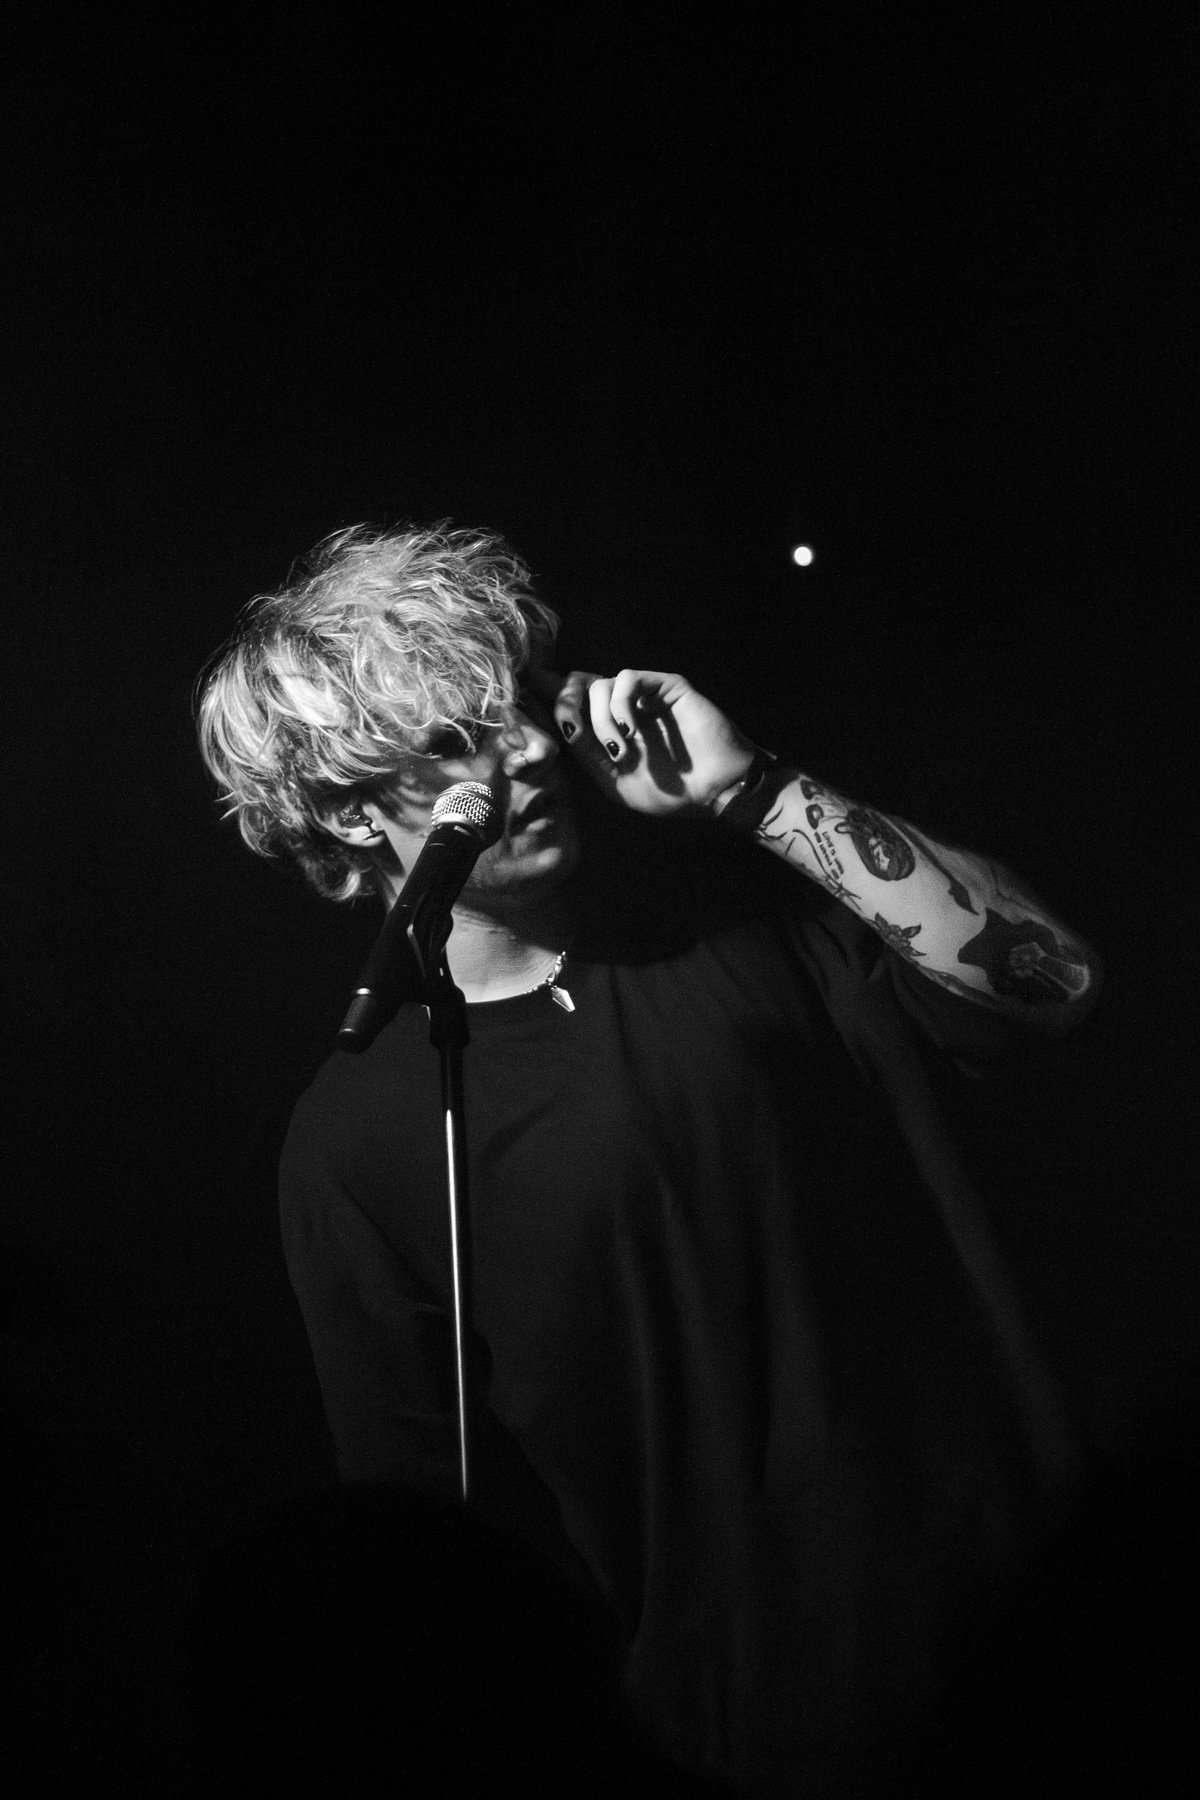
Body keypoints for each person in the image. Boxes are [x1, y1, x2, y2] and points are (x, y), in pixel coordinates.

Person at [196, 522, 1104, 1796]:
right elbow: (431, 1553)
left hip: (1039, 1648)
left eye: (516, 710)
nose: (523, 751)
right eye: (455, 740)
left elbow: (1053, 982)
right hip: (737, 1746)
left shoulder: (742, 923)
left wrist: (755, 793)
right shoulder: (363, 1138)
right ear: (348, 811)